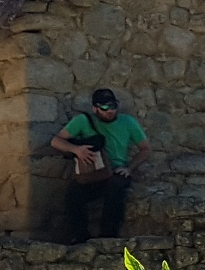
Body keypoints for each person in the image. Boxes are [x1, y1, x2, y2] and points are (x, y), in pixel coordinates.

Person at [52, 86, 148, 242]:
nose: (109, 111)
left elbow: (145, 149)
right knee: (74, 195)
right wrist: (76, 149)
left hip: (116, 171)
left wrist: (129, 168)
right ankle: (80, 238)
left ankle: (108, 238)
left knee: (115, 189)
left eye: (113, 106)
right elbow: (56, 141)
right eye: (104, 107)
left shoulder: (128, 122)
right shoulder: (83, 121)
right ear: (95, 109)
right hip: (93, 173)